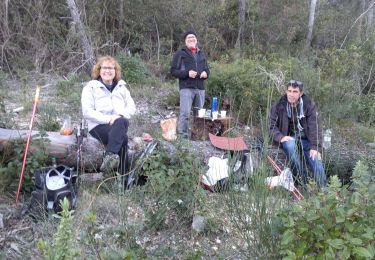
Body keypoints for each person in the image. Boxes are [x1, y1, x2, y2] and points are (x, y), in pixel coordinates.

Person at [81, 56, 136, 175]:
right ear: (99, 70)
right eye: (104, 67)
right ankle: (122, 176)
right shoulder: (90, 88)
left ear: (115, 71)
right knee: (123, 136)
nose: (108, 71)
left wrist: (119, 115)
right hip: (98, 126)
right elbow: (87, 111)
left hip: (117, 125)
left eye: (111, 68)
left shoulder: (122, 88)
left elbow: (132, 107)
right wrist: (108, 119)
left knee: (122, 122)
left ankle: (111, 161)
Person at [269, 80, 327, 188]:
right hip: (289, 138)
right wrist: (280, 137)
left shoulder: (309, 105)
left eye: (295, 91)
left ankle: (324, 190)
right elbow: (271, 126)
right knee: (290, 146)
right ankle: (302, 181)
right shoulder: (279, 105)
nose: (291, 94)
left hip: (306, 140)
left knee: (315, 157)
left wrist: (315, 147)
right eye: (289, 91)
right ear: (286, 91)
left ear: (301, 93)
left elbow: (315, 127)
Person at [170, 30, 210, 138]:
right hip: (186, 88)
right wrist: (187, 73)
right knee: (185, 113)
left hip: (200, 88)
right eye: (189, 38)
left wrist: (205, 73)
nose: (191, 39)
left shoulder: (201, 53)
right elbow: (173, 71)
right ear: (185, 41)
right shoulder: (180, 53)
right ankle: (182, 136)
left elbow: (207, 69)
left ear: (196, 40)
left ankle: (197, 135)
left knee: (199, 115)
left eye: (193, 38)